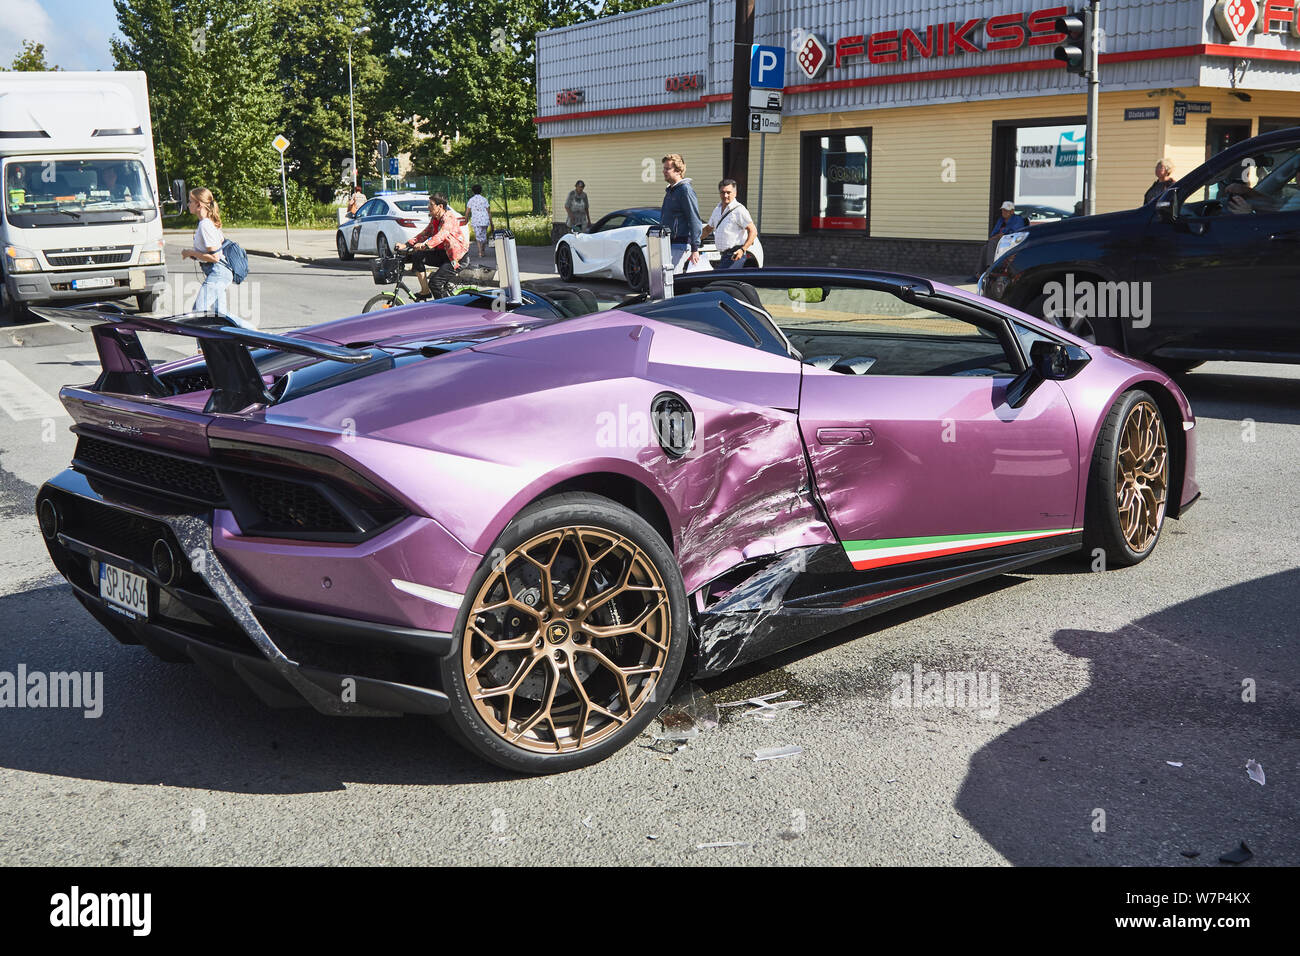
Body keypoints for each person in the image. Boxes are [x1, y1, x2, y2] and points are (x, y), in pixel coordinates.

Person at [181, 187, 248, 325]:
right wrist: (195, 255)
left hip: (218, 272)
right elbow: (212, 252)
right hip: (219, 272)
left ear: (199, 204)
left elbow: (215, 257)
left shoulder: (205, 225)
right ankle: (254, 335)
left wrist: (190, 253)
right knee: (221, 314)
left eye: (190, 202)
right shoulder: (206, 223)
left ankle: (201, 347)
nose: (188, 205)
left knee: (199, 312)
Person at [395, 192, 468, 299]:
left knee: (435, 283)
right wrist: (405, 245)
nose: (428, 207)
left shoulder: (448, 219)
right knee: (417, 256)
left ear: (440, 207)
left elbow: (441, 236)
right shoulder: (435, 219)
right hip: (443, 254)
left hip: (456, 259)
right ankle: (425, 291)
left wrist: (424, 246)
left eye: (431, 205)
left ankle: (446, 311)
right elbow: (424, 234)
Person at [700, 179, 756, 270]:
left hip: (736, 256)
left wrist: (743, 249)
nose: (725, 195)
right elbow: (707, 229)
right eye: (722, 192)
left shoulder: (739, 210)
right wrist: (693, 242)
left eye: (728, 192)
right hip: (723, 256)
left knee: (722, 281)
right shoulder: (717, 209)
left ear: (735, 193)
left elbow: (753, 231)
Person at [660, 153, 703, 272]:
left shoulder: (685, 190)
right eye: (663, 168)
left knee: (671, 279)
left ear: (678, 170)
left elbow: (694, 219)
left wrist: (695, 248)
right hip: (668, 243)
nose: (664, 171)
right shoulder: (670, 191)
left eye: (667, 168)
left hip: (681, 244)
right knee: (665, 279)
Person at [977, 200, 1029, 277]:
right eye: (1003, 210)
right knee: (985, 247)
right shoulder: (1001, 220)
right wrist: (996, 236)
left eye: (1006, 210)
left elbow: (1014, 233)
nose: (1003, 212)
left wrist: (1000, 235)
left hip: (1010, 241)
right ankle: (979, 273)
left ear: (1012, 211)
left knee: (991, 243)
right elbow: (994, 234)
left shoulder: (1018, 220)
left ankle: (990, 268)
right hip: (999, 241)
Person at [466, 183, 492, 257]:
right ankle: (483, 249)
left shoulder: (471, 200)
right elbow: (488, 211)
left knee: (478, 236)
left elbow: (467, 211)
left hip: (476, 220)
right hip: (484, 219)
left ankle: (480, 252)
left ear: (473, 191)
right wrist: (491, 221)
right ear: (481, 191)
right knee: (483, 235)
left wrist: (466, 219)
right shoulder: (484, 199)